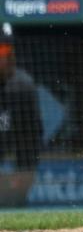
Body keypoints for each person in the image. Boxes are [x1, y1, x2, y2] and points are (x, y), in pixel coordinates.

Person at [0, 23, 43, 207]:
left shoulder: (23, 86)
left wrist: (23, 176)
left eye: (11, 49)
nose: (9, 56)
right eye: (2, 50)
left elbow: (32, 137)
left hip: (14, 149)